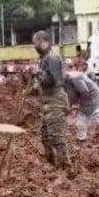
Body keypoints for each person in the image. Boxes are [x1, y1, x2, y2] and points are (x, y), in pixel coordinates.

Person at [31, 31, 70, 167]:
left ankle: (65, 167)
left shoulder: (52, 58)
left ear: (43, 41)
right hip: (47, 100)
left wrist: (38, 73)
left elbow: (51, 81)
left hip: (55, 100)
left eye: (35, 42)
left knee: (56, 137)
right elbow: (43, 81)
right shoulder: (43, 58)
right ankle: (52, 165)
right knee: (45, 136)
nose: (34, 45)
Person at [64, 71, 99, 141]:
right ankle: (81, 140)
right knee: (80, 124)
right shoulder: (67, 81)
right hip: (85, 104)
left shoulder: (75, 78)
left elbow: (84, 92)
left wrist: (70, 105)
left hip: (96, 102)